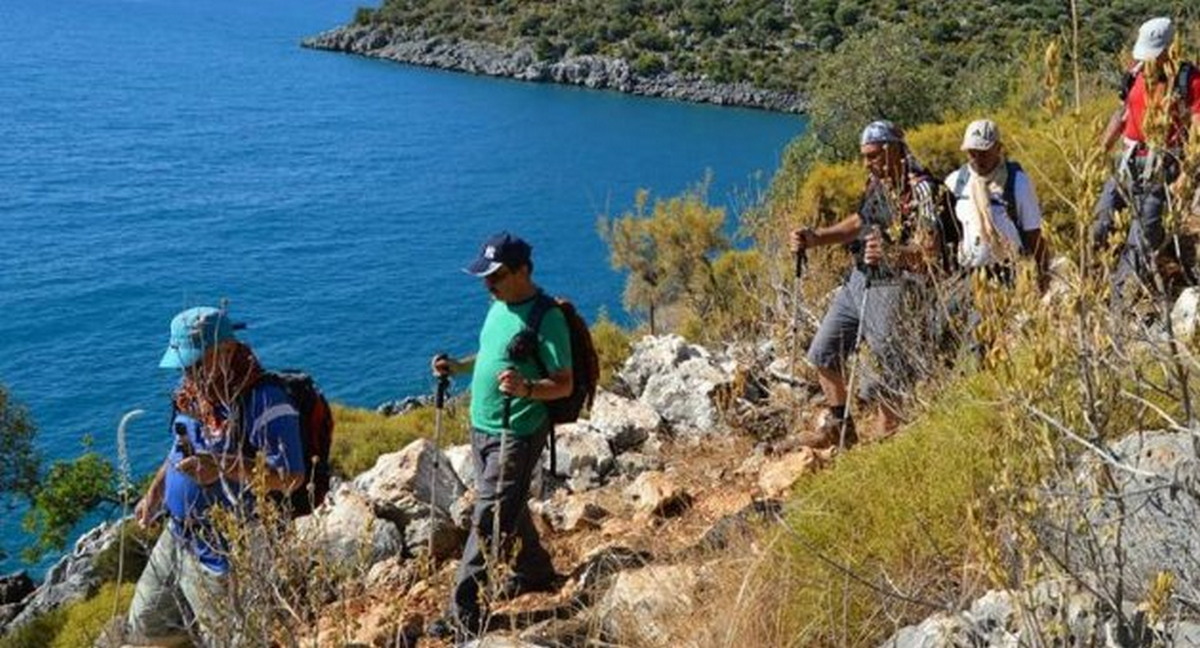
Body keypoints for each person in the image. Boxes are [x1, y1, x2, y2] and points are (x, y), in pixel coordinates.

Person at [124, 306, 305, 647]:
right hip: (177, 534)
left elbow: (291, 475)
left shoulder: (265, 400)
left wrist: (223, 466)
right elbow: (178, 450)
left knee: (229, 638)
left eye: (195, 362)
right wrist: (154, 494)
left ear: (227, 351)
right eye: (184, 364)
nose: (187, 373)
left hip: (225, 550)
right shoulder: (195, 395)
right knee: (149, 625)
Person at [430, 232, 569, 639]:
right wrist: (456, 367)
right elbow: (490, 357)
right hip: (482, 428)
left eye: (497, 275)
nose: (488, 284)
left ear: (523, 270)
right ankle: (535, 571)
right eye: (484, 276)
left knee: (489, 516)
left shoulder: (547, 318)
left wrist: (527, 389)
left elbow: (563, 383)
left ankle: (462, 610)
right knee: (508, 505)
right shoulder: (499, 306)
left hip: (518, 431)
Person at [789, 120, 948, 446]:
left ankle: (885, 441)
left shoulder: (921, 190)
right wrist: (816, 238)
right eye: (865, 156)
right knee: (823, 353)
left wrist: (892, 253)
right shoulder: (876, 184)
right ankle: (840, 428)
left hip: (895, 287)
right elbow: (859, 222)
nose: (867, 163)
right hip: (859, 281)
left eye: (873, 155)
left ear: (894, 150)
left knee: (887, 365)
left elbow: (930, 253)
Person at [1093, 17, 1200, 296]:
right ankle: (1100, 279)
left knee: (1141, 240)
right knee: (1101, 221)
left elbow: (1198, 134)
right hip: (1128, 161)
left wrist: (1186, 175)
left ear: (1168, 50)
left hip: (1162, 166)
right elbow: (1122, 113)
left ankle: (1121, 304)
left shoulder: (1190, 81)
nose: (1149, 63)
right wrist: (1100, 149)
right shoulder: (1134, 74)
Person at [946, 119, 1049, 286]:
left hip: (1012, 273)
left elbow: (1033, 233)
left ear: (998, 149)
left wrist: (1043, 274)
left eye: (984, 152)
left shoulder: (1018, 182)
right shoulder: (954, 182)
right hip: (968, 276)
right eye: (972, 153)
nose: (978, 159)